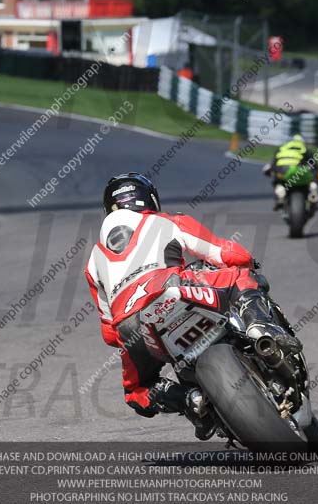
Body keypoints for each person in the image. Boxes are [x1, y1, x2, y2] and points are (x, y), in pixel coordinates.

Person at [85, 173, 294, 439]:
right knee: (240, 277)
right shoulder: (166, 221)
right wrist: (248, 261)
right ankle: (258, 327)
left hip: (131, 325)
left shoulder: (93, 260)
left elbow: (109, 333)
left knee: (137, 393)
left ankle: (191, 400)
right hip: (175, 289)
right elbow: (223, 252)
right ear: (149, 198)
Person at [262, 134, 318, 211]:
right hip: (298, 170)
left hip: (282, 170)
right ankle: (313, 192)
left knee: (275, 176)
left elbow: (271, 165)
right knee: (314, 173)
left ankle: (280, 194)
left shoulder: (282, 148)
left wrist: (271, 173)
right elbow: (314, 164)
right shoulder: (304, 148)